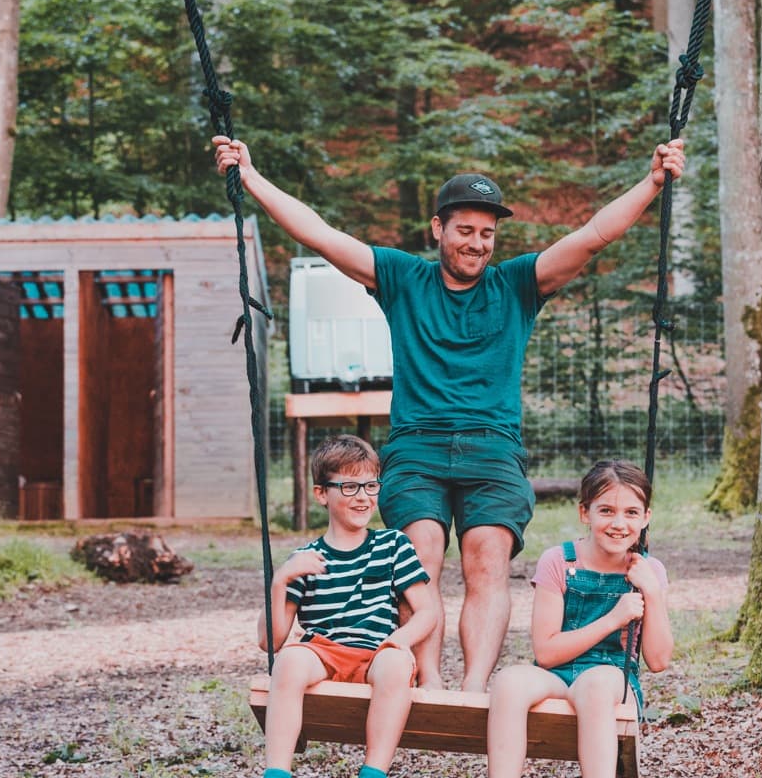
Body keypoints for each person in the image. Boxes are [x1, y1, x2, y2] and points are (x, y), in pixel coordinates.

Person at [214, 134, 686, 691]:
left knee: (487, 562)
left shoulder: (517, 284)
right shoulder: (402, 278)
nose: (477, 244)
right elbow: (319, 233)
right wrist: (250, 177)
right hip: (417, 446)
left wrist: (652, 182)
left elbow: (593, 236)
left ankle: (472, 690)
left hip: (493, 447)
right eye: (465, 230)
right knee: (421, 556)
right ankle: (431, 681)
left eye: (487, 233)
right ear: (438, 229)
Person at [479, 459, 673, 778]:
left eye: (630, 512)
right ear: (584, 512)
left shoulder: (649, 570)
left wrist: (653, 594)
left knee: (598, 685)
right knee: (507, 682)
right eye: (606, 510)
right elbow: (546, 651)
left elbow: (659, 660)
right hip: (558, 665)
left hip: (608, 675)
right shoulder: (559, 561)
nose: (618, 522)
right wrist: (615, 616)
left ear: (646, 518)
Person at [229, 434, 434, 778]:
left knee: (395, 665)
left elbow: (427, 612)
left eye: (371, 485)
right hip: (323, 652)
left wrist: (402, 640)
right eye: (350, 487)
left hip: (377, 652)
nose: (363, 498)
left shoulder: (393, 545)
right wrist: (281, 578)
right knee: (288, 659)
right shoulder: (305, 560)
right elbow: (270, 640)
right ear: (322, 494)